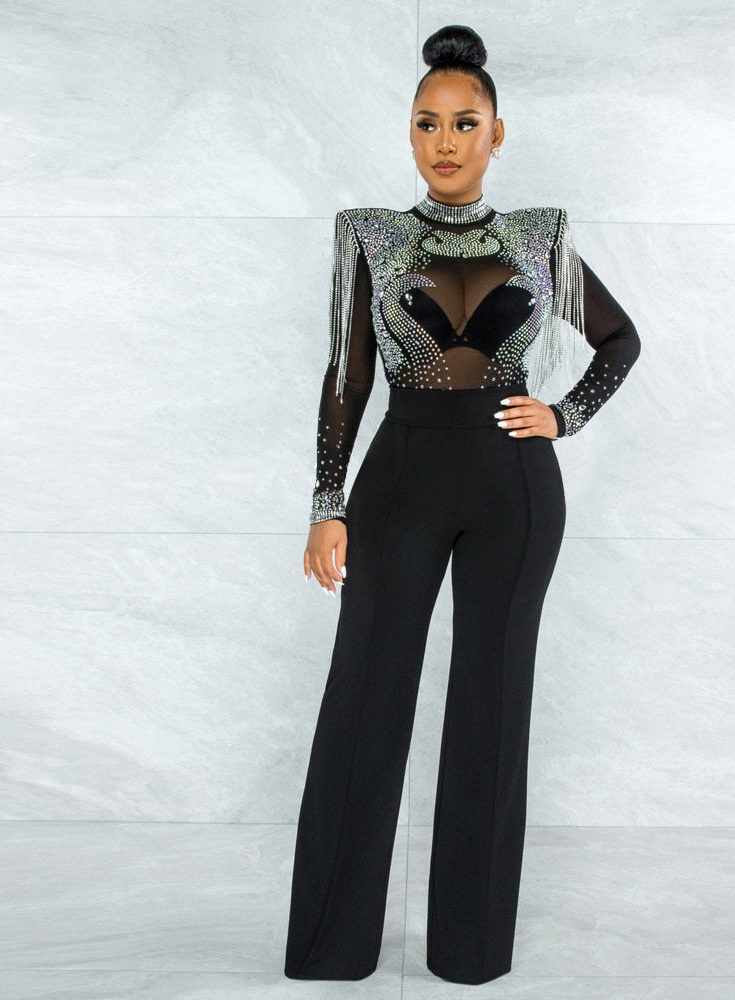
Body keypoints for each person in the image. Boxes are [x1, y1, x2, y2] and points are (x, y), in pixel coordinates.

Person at [284, 23, 642, 987]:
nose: (445, 141)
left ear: (496, 133)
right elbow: (347, 375)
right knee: (365, 697)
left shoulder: (540, 236)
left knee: (492, 707)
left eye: (464, 123)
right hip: (398, 480)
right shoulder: (369, 234)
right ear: (410, 132)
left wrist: (563, 416)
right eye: (427, 123)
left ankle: (470, 952)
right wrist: (326, 502)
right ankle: (330, 948)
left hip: (512, 489)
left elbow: (620, 341)